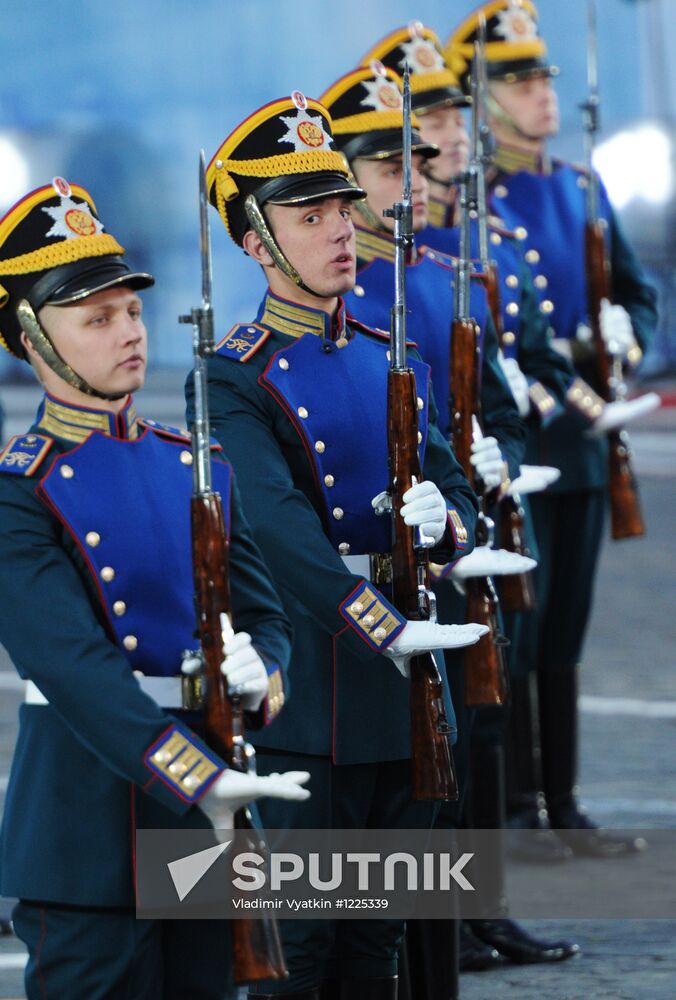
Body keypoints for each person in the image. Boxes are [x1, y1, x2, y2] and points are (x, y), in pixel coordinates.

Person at [189, 92, 488, 1000]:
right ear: (256, 241)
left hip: (403, 691)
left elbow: (456, 489)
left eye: (341, 210)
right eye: (308, 217)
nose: (340, 232)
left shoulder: (379, 351)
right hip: (313, 695)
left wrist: (447, 527)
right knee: (304, 949)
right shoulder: (230, 377)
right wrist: (385, 629)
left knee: (378, 946)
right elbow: (278, 534)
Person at [0, 179, 311, 1000]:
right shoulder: (19, 489)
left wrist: (263, 674)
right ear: (32, 338)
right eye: (97, 320)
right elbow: (70, 666)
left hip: (205, 816)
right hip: (89, 827)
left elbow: (266, 614)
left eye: (131, 313)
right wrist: (195, 774)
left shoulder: (190, 462)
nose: (129, 333)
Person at [324, 51, 576, 977]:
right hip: (403, 568)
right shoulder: (347, 303)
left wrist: (490, 460)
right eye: (393, 167)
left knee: (483, 733)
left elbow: (497, 399)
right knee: (430, 760)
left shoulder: (449, 276)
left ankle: (482, 911)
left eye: (415, 162)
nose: (422, 178)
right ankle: (443, 932)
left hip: (472, 534)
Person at [445, 0, 659, 858]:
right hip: (521, 443)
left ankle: (562, 803)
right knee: (520, 632)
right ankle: (520, 808)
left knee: (567, 622)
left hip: (584, 439)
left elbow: (638, 292)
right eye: (519, 81)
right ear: (482, 99)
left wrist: (629, 339)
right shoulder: (473, 202)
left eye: (541, 78)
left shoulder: (580, 187)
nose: (541, 96)